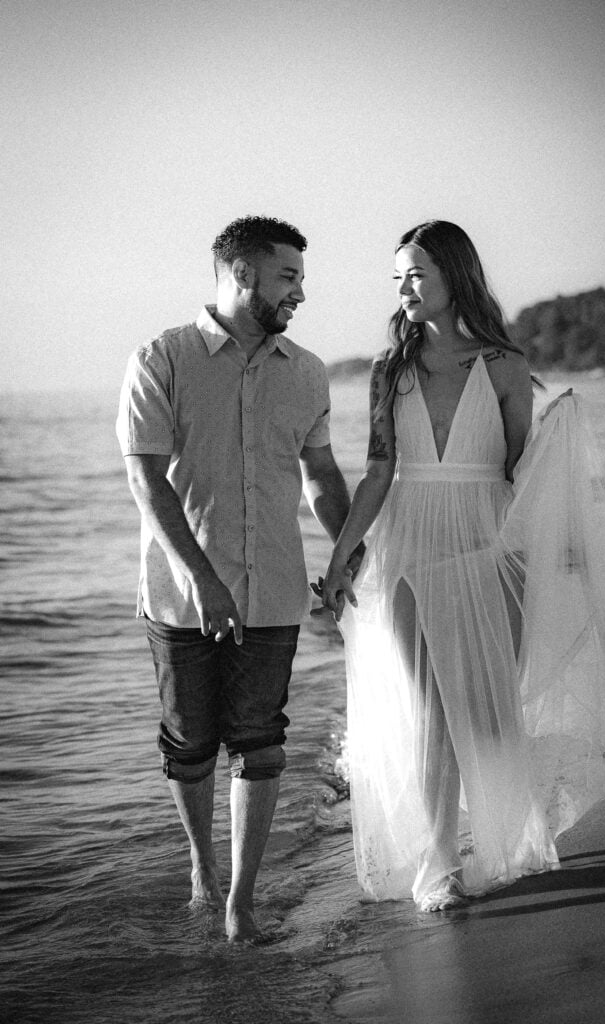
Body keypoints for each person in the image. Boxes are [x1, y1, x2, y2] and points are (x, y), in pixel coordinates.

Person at [320, 220, 605, 910]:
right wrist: (338, 560)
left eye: (416, 273)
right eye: (397, 278)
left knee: (484, 711)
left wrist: (559, 549)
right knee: (430, 710)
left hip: (486, 540)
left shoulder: (504, 365)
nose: (404, 288)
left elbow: (517, 472)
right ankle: (439, 864)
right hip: (409, 541)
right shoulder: (390, 373)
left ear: (454, 274)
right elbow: (377, 473)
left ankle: (507, 836)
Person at [116, 215, 359, 941]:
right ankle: (201, 867)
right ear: (243, 274)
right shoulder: (161, 358)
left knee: (260, 737)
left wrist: (346, 551)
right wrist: (204, 581)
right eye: (289, 277)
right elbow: (147, 484)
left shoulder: (308, 371)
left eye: (301, 279)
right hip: (180, 594)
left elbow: (318, 473)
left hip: (277, 588)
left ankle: (240, 902)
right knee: (189, 742)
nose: (301, 294)